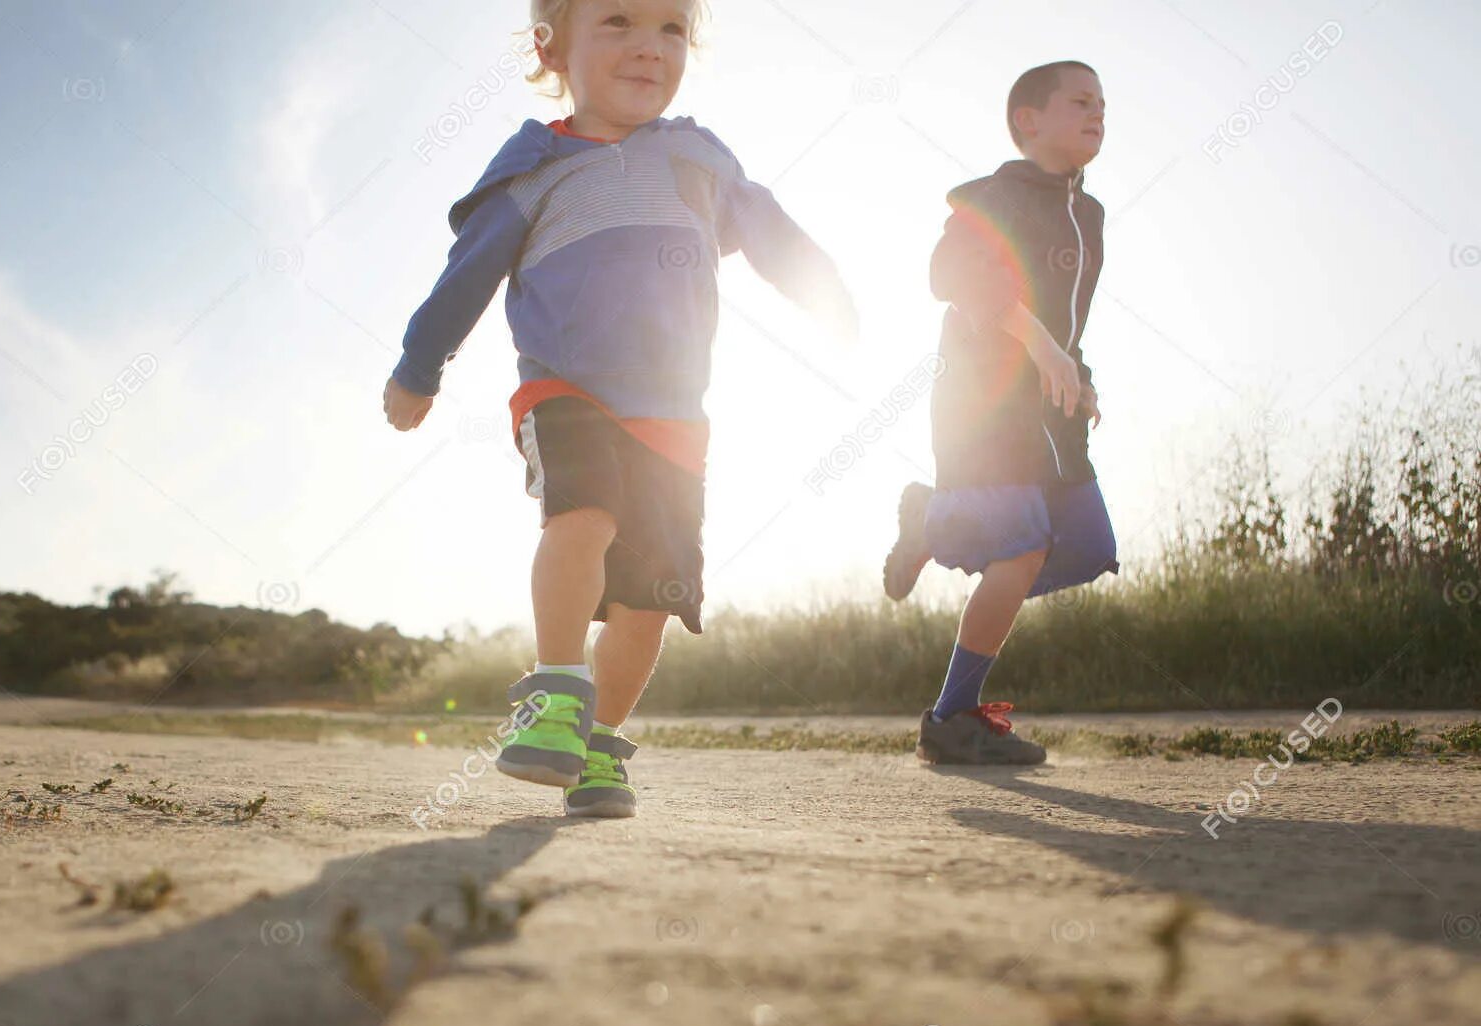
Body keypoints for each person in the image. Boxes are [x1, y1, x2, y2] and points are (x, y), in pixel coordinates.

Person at [384, 0, 855, 815]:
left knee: (650, 602)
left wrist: (828, 296)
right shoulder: (533, 166)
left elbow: (769, 227)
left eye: (671, 30)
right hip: (567, 387)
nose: (649, 47)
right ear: (551, 46)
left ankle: (597, 743)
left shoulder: (698, 156)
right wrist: (419, 366)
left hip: (676, 415)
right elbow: (466, 275)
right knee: (585, 513)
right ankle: (556, 691)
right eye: (619, 22)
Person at [882, 60, 1119, 765]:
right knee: (1019, 546)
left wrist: (1077, 375)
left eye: (1104, 104)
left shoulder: (1090, 214)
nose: (1098, 113)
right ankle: (952, 718)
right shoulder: (992, 196)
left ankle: (935, 519)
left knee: (1083, 548)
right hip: (985, 399)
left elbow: (1067, 323)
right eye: (1081, 101)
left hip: (1052, 404)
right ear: (1028, 121)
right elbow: (949, 276)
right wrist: (1042, 346)